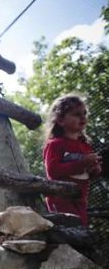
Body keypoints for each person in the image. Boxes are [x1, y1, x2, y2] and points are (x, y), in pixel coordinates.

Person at [43, 94, 102, 226]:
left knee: (81, 235)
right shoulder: (55, 144)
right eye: (76, 114)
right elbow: (52, 171)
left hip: (80, 201)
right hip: (60, 200)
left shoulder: (84, 146)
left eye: (84, 113)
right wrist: (83, 163)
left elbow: (84, 174)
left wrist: (94, 170)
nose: (82, 117)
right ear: (60, 120)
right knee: (68, 234)